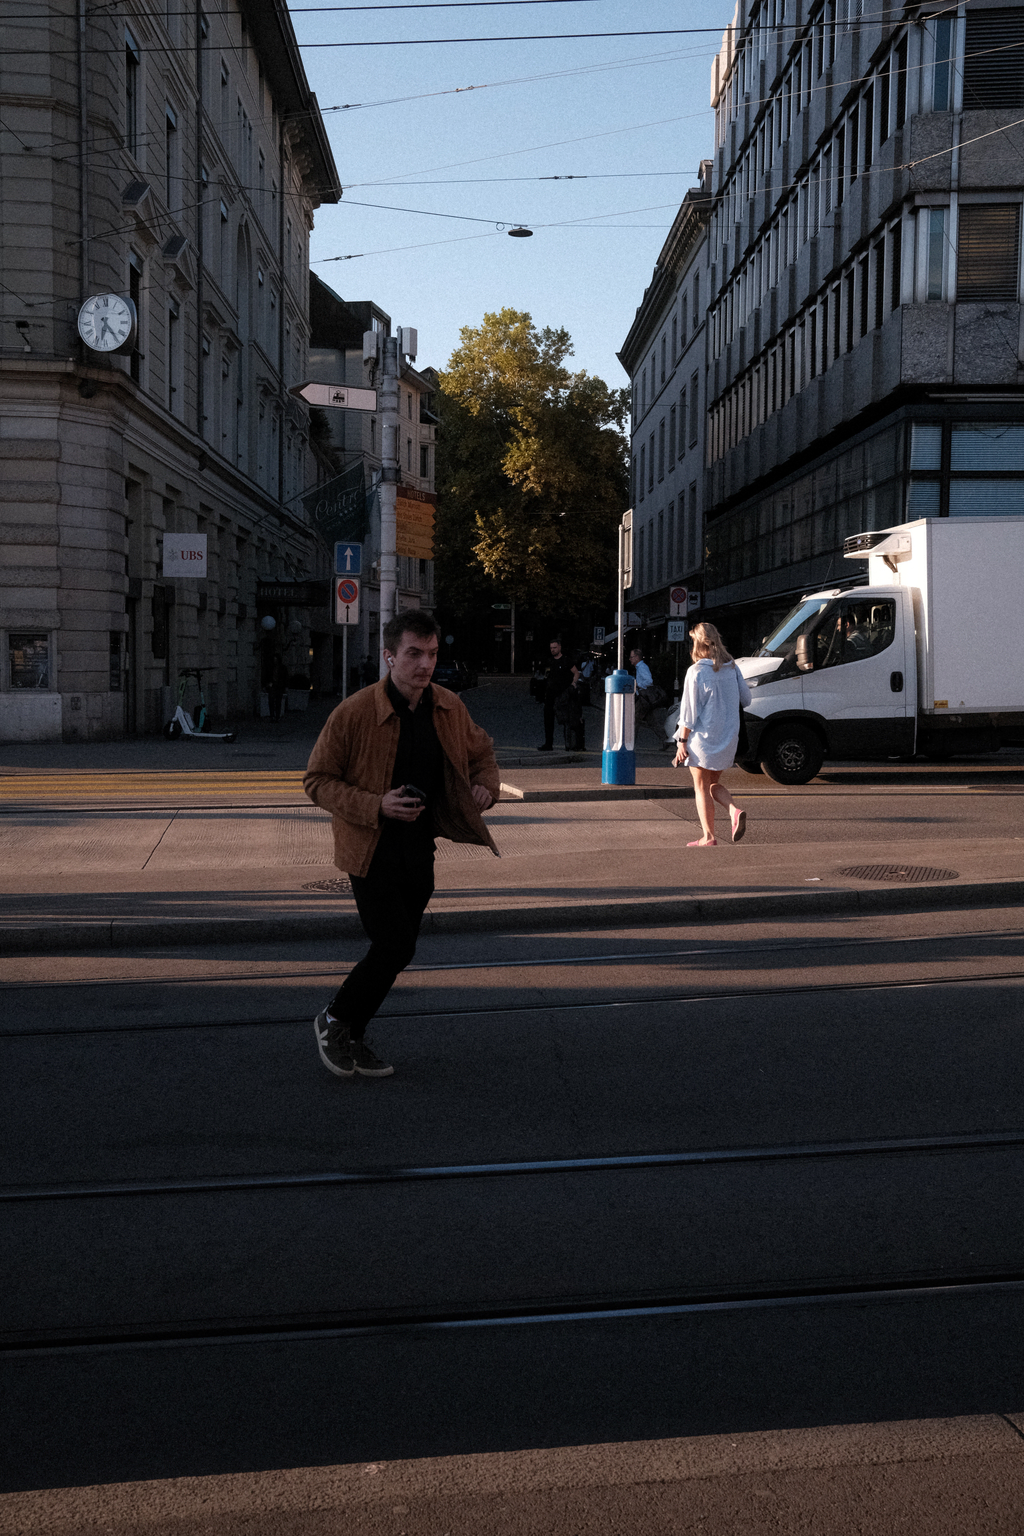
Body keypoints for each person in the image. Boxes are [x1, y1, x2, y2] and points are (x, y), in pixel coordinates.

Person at [303, 610, 500, 1078]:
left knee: (401, 947)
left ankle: (353, 1032)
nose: (425, 664)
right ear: (390, 657)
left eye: (432, 654)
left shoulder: (449, 707)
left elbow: (483, 754)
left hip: (420, 846)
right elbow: (316, 781)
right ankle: (333, 1019)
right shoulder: (354, 713)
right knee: (393, 944)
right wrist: (377, 805)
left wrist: (485, 787)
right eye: (414, 654)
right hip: (368, 849)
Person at [673, 621, 752, 846]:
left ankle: (708, 837)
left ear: (697, 643)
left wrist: (682, 742)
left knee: (701, 788)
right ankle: (733, 810)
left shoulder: (696, 671)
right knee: (711, 785)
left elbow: (688, 713)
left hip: (702, 739)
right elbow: (746, 700)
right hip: (727, 737)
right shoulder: (732, 667)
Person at [537, 636, 577, 751]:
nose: (553, 650)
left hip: (562, 695)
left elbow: (576, 673)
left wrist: (573, 684)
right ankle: (548, 744)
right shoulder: (549, 661)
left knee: (565, 720)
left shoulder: (566, 660)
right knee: (548, 720)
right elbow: (543, 674)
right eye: (551, 648)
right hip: (550, 695)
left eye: (554, 647)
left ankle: (568, 744)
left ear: (559, 647)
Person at [267, 655, 288, 721]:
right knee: (271, 701)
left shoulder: (282, 668)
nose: (275, 661)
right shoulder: (271, 667)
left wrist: (285, 686)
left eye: (276, 659)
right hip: (273, 685)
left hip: (280, 686)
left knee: (278, 702)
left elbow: (285, 677)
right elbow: (268, 675)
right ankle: (272, 716)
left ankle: (277, 716)